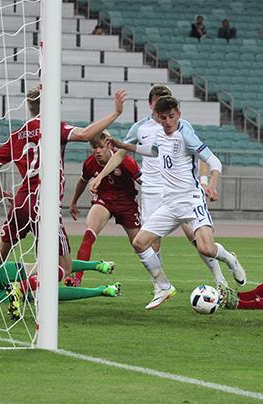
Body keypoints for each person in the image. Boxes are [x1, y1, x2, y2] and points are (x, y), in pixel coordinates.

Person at [0, 86, 127, 317]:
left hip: (21, 201)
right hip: (44, 204)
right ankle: (21, 288)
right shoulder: (54, 127)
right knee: (64, 266)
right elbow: (85, 134)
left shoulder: (17, 134)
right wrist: (115, 113)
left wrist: (0, 193)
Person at [100, 95, 246, 310]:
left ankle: (230, 260)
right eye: (164, 117)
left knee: (206, 248)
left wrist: (212, 185)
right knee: (139, 243)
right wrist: (122, 145)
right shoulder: (159, 134)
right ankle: (163, 287)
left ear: (178, 114)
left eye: (171, 116)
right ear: (158, 117)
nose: (168, 121)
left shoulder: (186, 135)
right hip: (169, 205)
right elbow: (153, 151)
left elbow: (214, 161)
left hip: (192, 201)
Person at [65, 130, 141, 287]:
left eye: (100, 147)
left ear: (109, 146)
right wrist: (73, 202)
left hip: (127, 204)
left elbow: (144, 182)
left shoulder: (126, 161)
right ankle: (77, 279)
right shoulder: (90, 163)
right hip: (104, 199)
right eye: (94, 147)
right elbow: (83, 181)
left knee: (140, 245)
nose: (97, 151)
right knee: (88, 235)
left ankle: (159, 283)